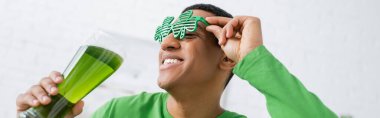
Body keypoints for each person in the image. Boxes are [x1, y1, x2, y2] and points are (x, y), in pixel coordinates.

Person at [16, 4, 337, 118]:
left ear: (226, 59)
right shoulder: (121, 113)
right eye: (166, 33)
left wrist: (254, 59)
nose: (167, 42)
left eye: (186, 34)